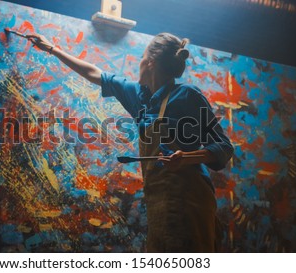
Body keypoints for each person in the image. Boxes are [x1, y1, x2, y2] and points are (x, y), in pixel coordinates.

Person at [24, 32, 234, 252]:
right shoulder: (140, 97)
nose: (139, 62)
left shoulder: (187, 96)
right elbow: (95, 73)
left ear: (150, 62)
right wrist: (52, 49)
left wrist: (186, 158)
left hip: (191, 201)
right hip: (159, 203)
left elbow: (223, 147)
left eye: (142, 57)